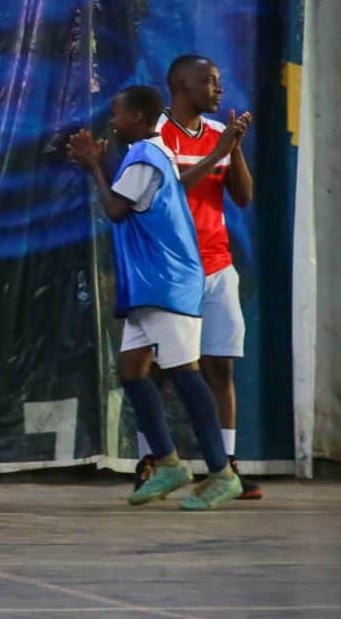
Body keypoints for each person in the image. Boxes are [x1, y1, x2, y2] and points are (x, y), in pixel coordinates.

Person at [67, 85, 248, 510]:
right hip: (149, 283)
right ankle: (168, 463)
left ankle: (222, 474)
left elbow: (116, 210)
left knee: (186, 373)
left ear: (136, 117)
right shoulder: (149, 153)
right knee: (132, 372)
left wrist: (94, 167)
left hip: (167, 281)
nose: (112, 121)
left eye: (117, 113)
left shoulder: (146, 155)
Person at [137, 54, 260, 499]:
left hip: (216, 265)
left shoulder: (217, 134)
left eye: (219, 80)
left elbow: (243, 197)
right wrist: (217, 153)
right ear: (179, 84)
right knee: (157, 369)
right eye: (208, 80)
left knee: (219, 367)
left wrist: (234, 148)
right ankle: (152, 462)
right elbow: (163, 194)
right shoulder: (155, 135)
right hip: (169, 271)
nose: (218, 88)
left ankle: (225, 465)